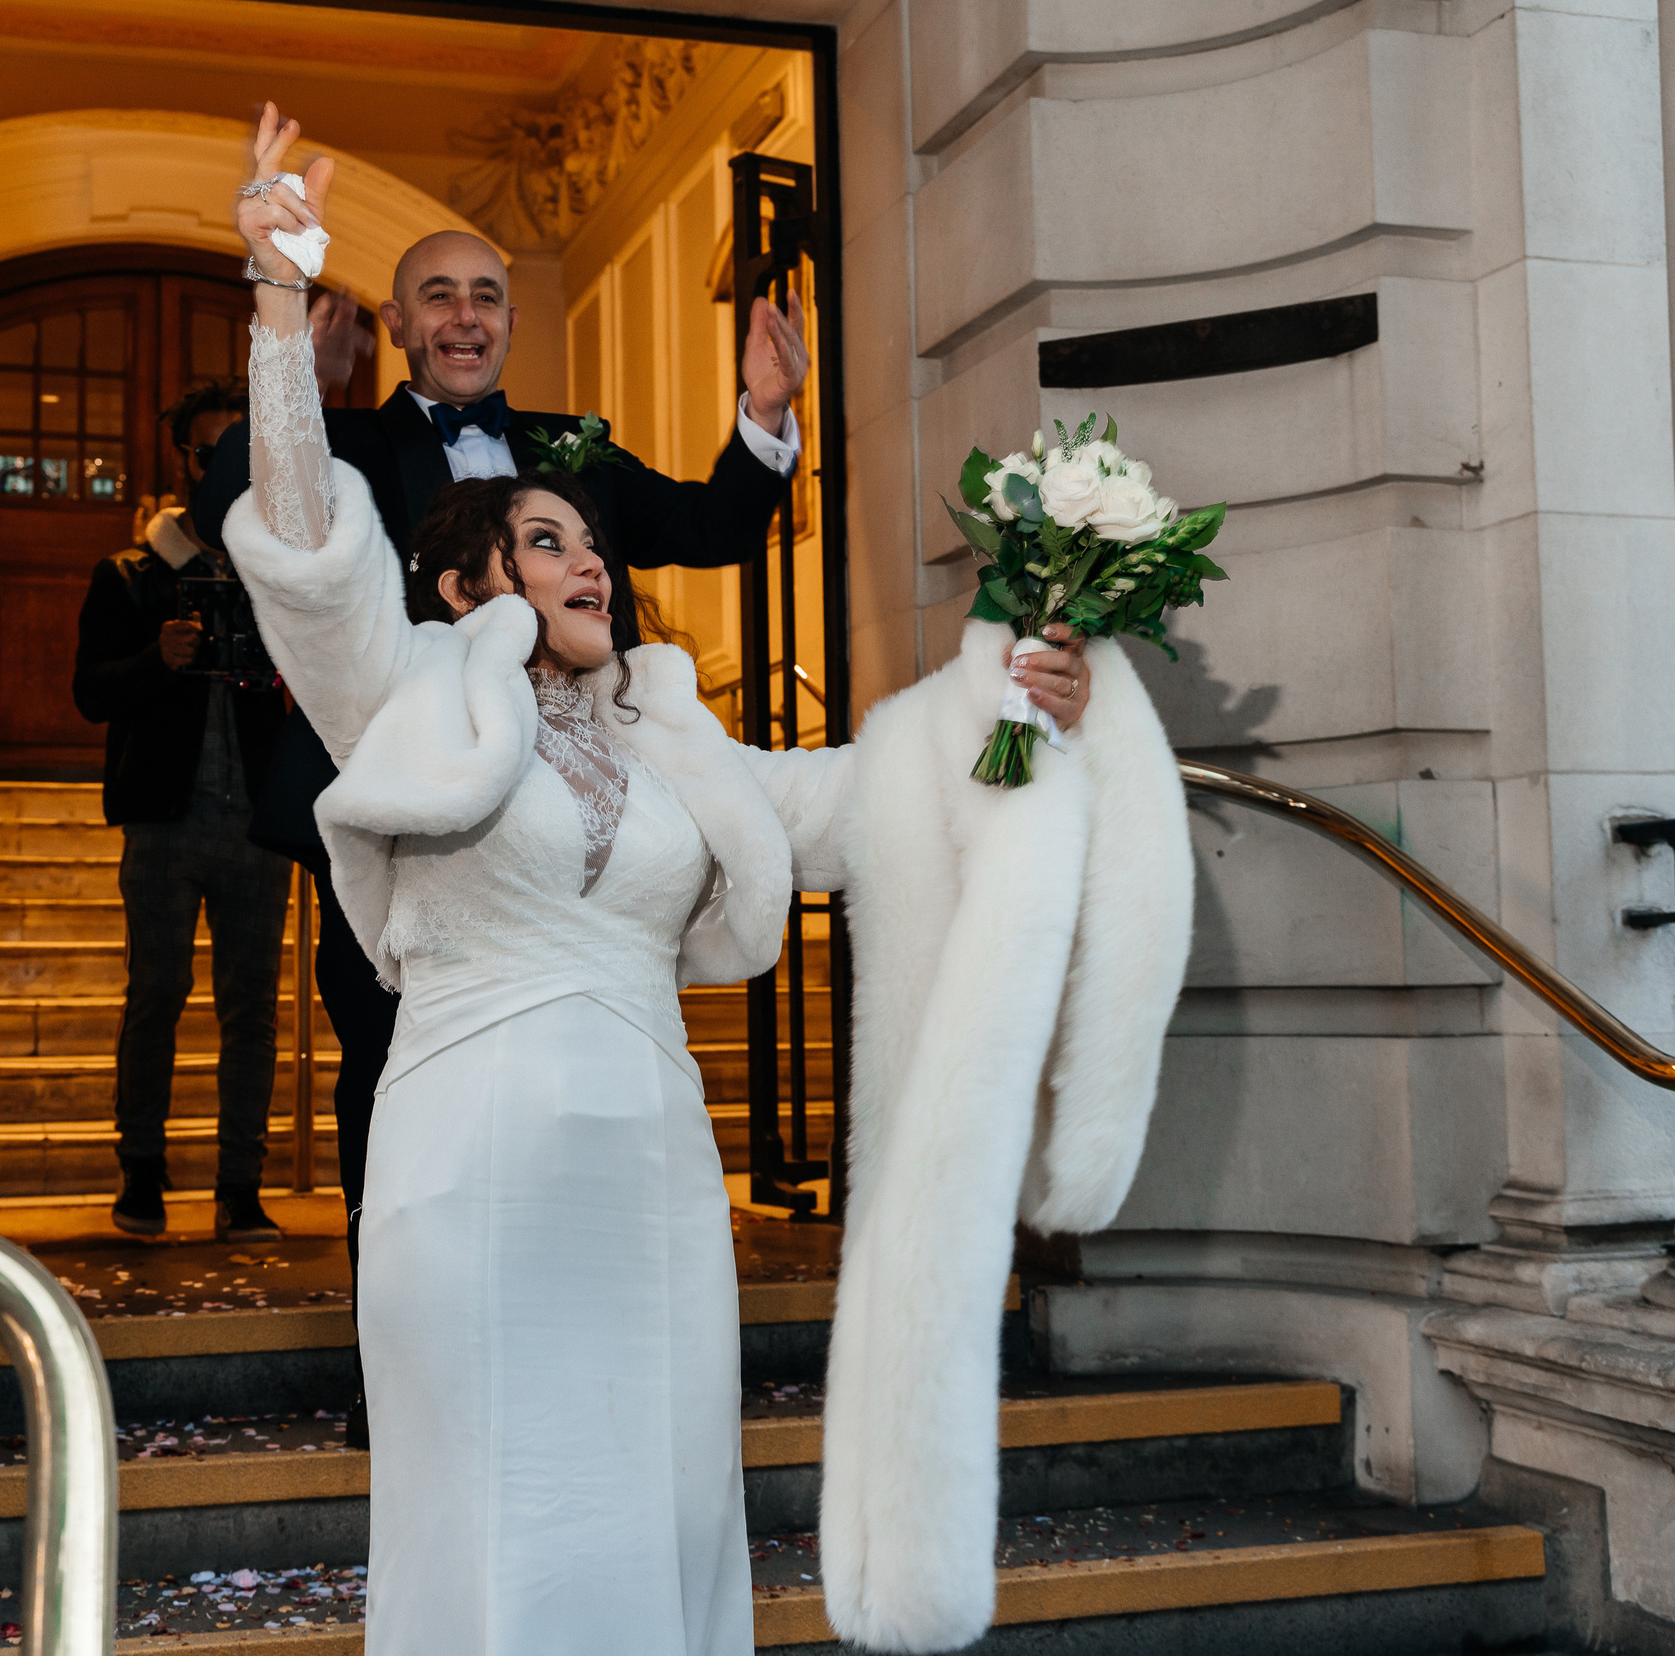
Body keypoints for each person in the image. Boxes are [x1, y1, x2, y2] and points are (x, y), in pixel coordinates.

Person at [221, 104, 1181, 1656]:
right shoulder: (408, 697)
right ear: (462, 585)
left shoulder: (674, 737)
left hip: (656, 1174)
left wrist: (1019, 698)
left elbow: (869, 798)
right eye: (545, 541)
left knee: (663, 1497)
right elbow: (308, 554)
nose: (589, 558)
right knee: (502, 1507)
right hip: (474, 1161)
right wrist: (279, 300)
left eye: (588, 541)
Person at [187, 157, 813, 1295]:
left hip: (580, 816)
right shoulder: (351, 445)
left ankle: (569, 1304)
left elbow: (712, 524)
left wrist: (766, 414)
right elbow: (239, 491)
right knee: (390, 1071)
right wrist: (298, 368)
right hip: (413, 821)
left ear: (512, 322)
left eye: (485, 296)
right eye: (438, 296)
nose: (465, 317)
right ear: (396, 323)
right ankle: (403, 1323)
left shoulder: (574, 449)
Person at [71, 376, 292, 1243]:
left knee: (252, 1011)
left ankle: (241, 1188)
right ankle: (142, 1174)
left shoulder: (281, 574)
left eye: (243, 453)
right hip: (163, 821)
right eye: (211, 453)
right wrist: (154, 659)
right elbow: (90, 693)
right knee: (156, 995)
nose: (226, 468)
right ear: (185, 461)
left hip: (259, 825)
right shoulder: (130, 577)